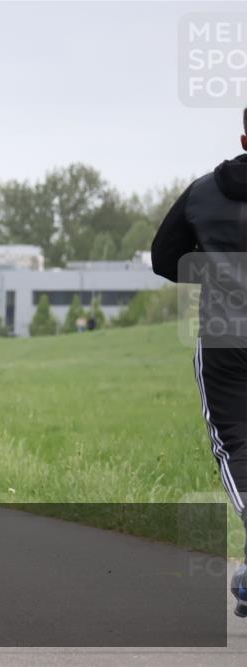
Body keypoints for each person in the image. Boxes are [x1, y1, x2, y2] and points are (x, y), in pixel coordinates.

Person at [151, 106, 247, 618]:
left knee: (233, 440)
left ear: (243, 136)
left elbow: (164, 259)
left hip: (223, 334)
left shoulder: (202, 190)